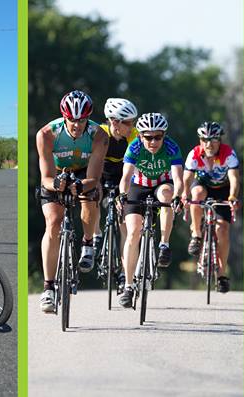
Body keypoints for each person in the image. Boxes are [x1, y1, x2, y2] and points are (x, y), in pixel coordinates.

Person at [35, 90, 108, 313]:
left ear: (88, 118)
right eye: (72, 120)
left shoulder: (99, 136)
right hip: (56, 174)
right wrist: (58, 185)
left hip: (85, 174)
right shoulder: (47, 134)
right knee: (53, 223)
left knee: (89, 200)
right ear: (64, 117)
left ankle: (88, 241)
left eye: (82, 120)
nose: (77, 125)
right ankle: (48, 287)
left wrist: (80, 186)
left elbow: (94, 179)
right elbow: (46, 178)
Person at [116, 112, 184, 308]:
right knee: (133, 232)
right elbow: (126, 177)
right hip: (138, 186)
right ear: (140, 136)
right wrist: (122, 194)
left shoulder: (171, 147)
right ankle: (128, 286)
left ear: (164, 135)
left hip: (162, 185)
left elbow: (178, 179)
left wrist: (178, 196)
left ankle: (163, 244)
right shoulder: (134, 147)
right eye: (149, 137)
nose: (154, 141)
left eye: (158, 137)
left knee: (166, 196)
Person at [85, 98, 139, 291]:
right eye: (128, 122)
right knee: (94, 194)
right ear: (115, 122)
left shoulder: (134, 136)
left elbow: (136, 168)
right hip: (101, 173)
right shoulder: (100, 132)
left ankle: (126, 272)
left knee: (124, 223)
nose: (132, 126)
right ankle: (97, 233)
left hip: (124, 177)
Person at [182, 121, 240, 293]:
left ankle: (222, 275)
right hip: (203, 186)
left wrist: (232, 197)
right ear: (200, 140)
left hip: (223, 190)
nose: (209, 144)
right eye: (205, 140)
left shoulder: (228, 154)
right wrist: (185, 195)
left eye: (213, 140)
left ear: (219, 140)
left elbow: (235, 179)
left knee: (222, 230)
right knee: (197, 194)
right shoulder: (194, 154)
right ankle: (196, 234)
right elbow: (187, 179)